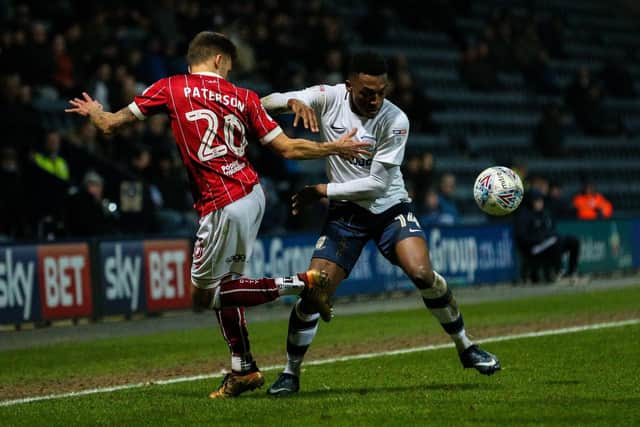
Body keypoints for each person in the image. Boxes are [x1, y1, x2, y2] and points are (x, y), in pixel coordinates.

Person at [65, 31, 370, 399]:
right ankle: (244, 368)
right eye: (230, 63)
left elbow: (110, 124)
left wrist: (95, 111)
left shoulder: (171, 87)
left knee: (204, 296)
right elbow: (287, 149)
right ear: (219, 60)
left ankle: (303, 282)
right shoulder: (244, 97)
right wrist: (334, 147)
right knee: (228, 287)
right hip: (252, 193)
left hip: (222, 201)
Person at [260, 51, 501, 396]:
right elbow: (266, 102)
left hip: (390, 209)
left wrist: (322, 189)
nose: (375, 99)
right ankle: (290, 373)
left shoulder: (395, 119)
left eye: (381, 91)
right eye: (366, 92)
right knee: (315, 292)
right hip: (347, 215)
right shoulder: (328, 98)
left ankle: (466, 346)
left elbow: (376, 185)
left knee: (422, 274)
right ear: (349, 86)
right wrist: (294, 100)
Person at [515, 189, 580, 283]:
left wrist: (549, 237)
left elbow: (551, 230)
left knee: (573, 241)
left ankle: (571, 273)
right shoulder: (524, 216)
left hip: (548, 243)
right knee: (556, 241)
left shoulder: (545, 214)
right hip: (533, 248)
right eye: (537, 201)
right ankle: (558, 272)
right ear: (530, 201)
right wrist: (540, 239)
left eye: (541, 200)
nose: (539, 203)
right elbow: (522, 237)